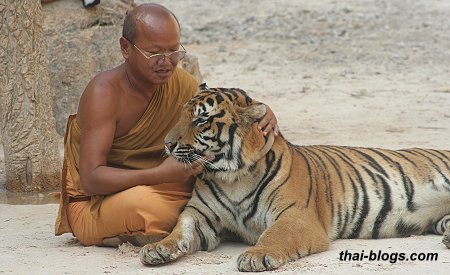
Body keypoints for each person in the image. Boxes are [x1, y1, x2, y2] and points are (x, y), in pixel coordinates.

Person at [54, 3, 279, 247]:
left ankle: (205, 220)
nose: (167, 62)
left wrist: (262, 112)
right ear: (125, 48)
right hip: (99, 201)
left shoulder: (181, 82)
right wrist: (160, 173)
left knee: (226, 186)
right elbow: (91, 178)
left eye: (174, 51)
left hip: (167, 184)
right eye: (154, 53)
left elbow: (219, 113)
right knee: (145, 206)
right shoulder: (103, 93)